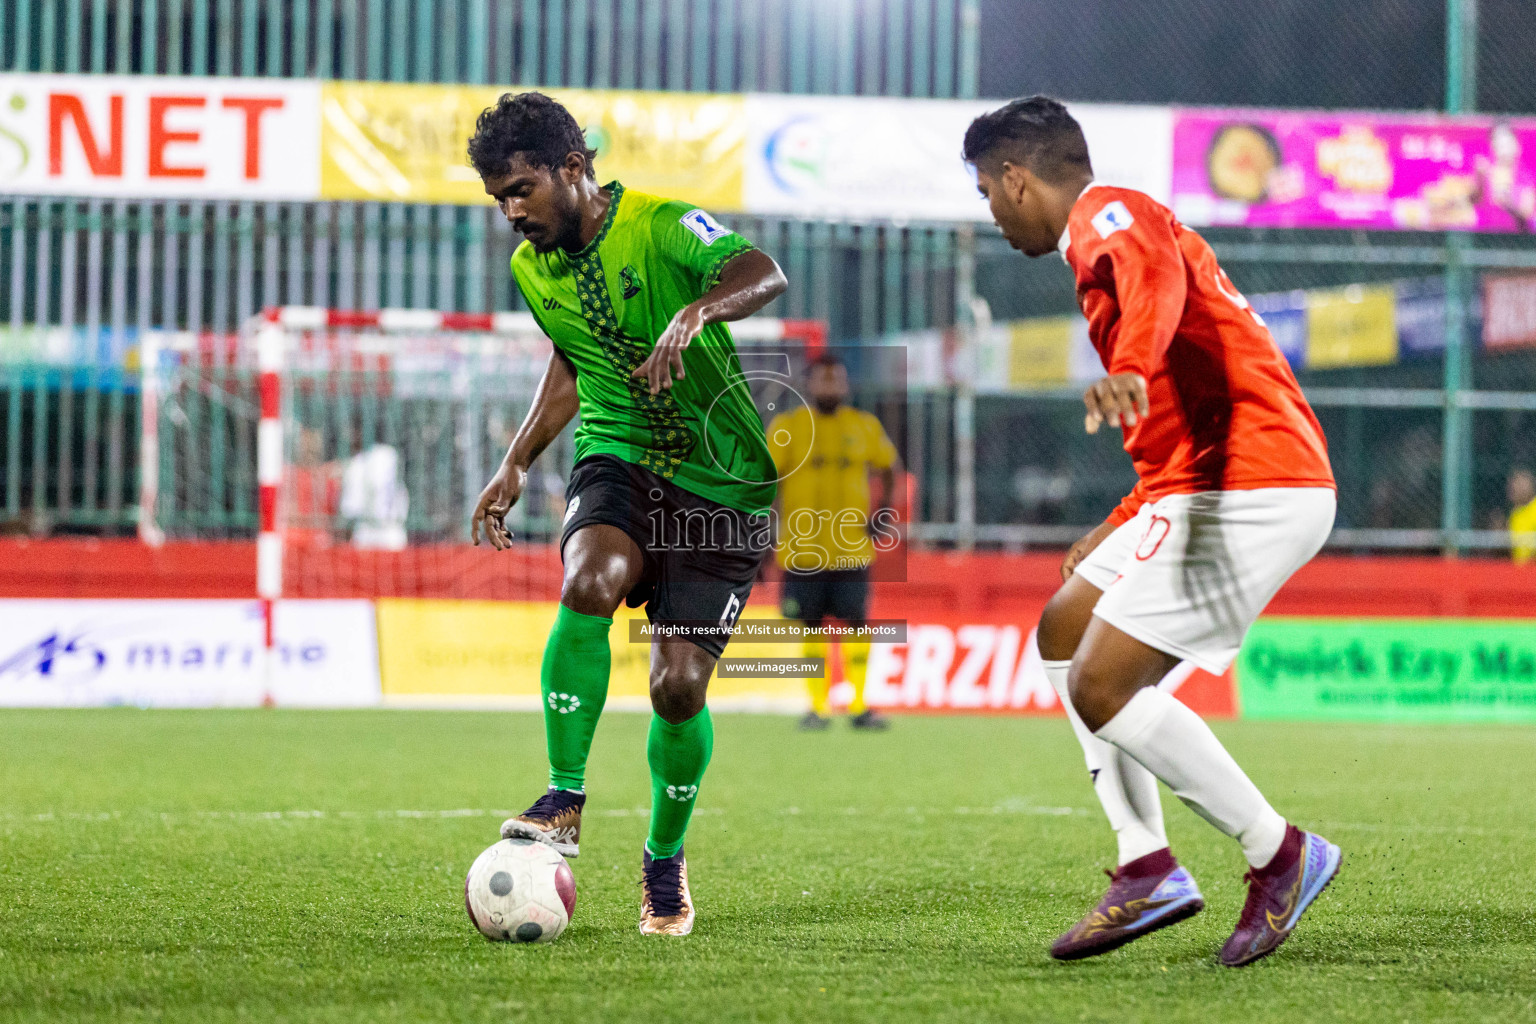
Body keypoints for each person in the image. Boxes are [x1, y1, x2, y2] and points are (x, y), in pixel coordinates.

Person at [963, 96, 1341, 968]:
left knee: (1101, 684)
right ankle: (1146, 865)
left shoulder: (1110, 213)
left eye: (989, 191)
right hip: (1201, 482)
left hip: (1258, 483)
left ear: (1019, 178)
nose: (991, 210)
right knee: (1063, 624)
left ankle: (1279, 854)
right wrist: (1123, 519)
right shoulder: (1095, 242)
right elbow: (1177, 419)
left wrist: (1128, 366)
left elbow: (1156, 281)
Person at [467, 93, 788, 937]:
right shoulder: (532, 269)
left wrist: (697, 309)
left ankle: (663, 860)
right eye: (499, 196)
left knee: (677, 690)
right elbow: (572, 366)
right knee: (590, 577)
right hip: (620, 454)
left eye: (523, 188)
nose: (512, 211)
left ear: (572, 169)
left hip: (724, 481)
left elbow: (763, 270)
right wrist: (515, 462)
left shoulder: (662, 224)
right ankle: (564, 797)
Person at [767, 352, 899, 731]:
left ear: (846, 385)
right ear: (810, 383)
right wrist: (766, 529)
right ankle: (817, 707)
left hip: (851, 549)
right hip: (801, 549)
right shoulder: (788, 426)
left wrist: (883, 511)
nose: (830, 386)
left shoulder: (863, 425)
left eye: (836, 380)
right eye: (824, 379)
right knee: (810, 626)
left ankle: (859, 705)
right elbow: (768, 480)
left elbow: (889, 467)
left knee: (856, 623)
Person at [1508, 468, 1536, 564]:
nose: (1514, 488)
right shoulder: (1515, 514)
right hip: (1520, 570)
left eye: (1519, 484)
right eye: (1513, 485)